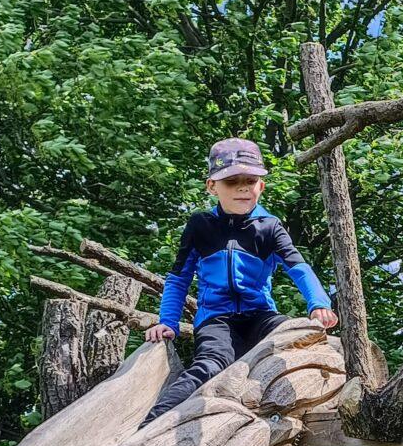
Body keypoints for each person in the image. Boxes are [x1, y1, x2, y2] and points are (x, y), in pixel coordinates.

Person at [140, 138, 338, 423]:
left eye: (251, 180)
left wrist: (318, 303)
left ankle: (306, 409)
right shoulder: (201, 226)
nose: (243, 188)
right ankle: (152, 423)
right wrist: (167, 322)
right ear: (212, 186)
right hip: (216, 319)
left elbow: (299, 267)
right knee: (209, 365)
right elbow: (178, 278)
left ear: (261, 185)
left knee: (298, 335)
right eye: (232, 181)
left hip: (260, 316)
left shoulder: (268, 227)